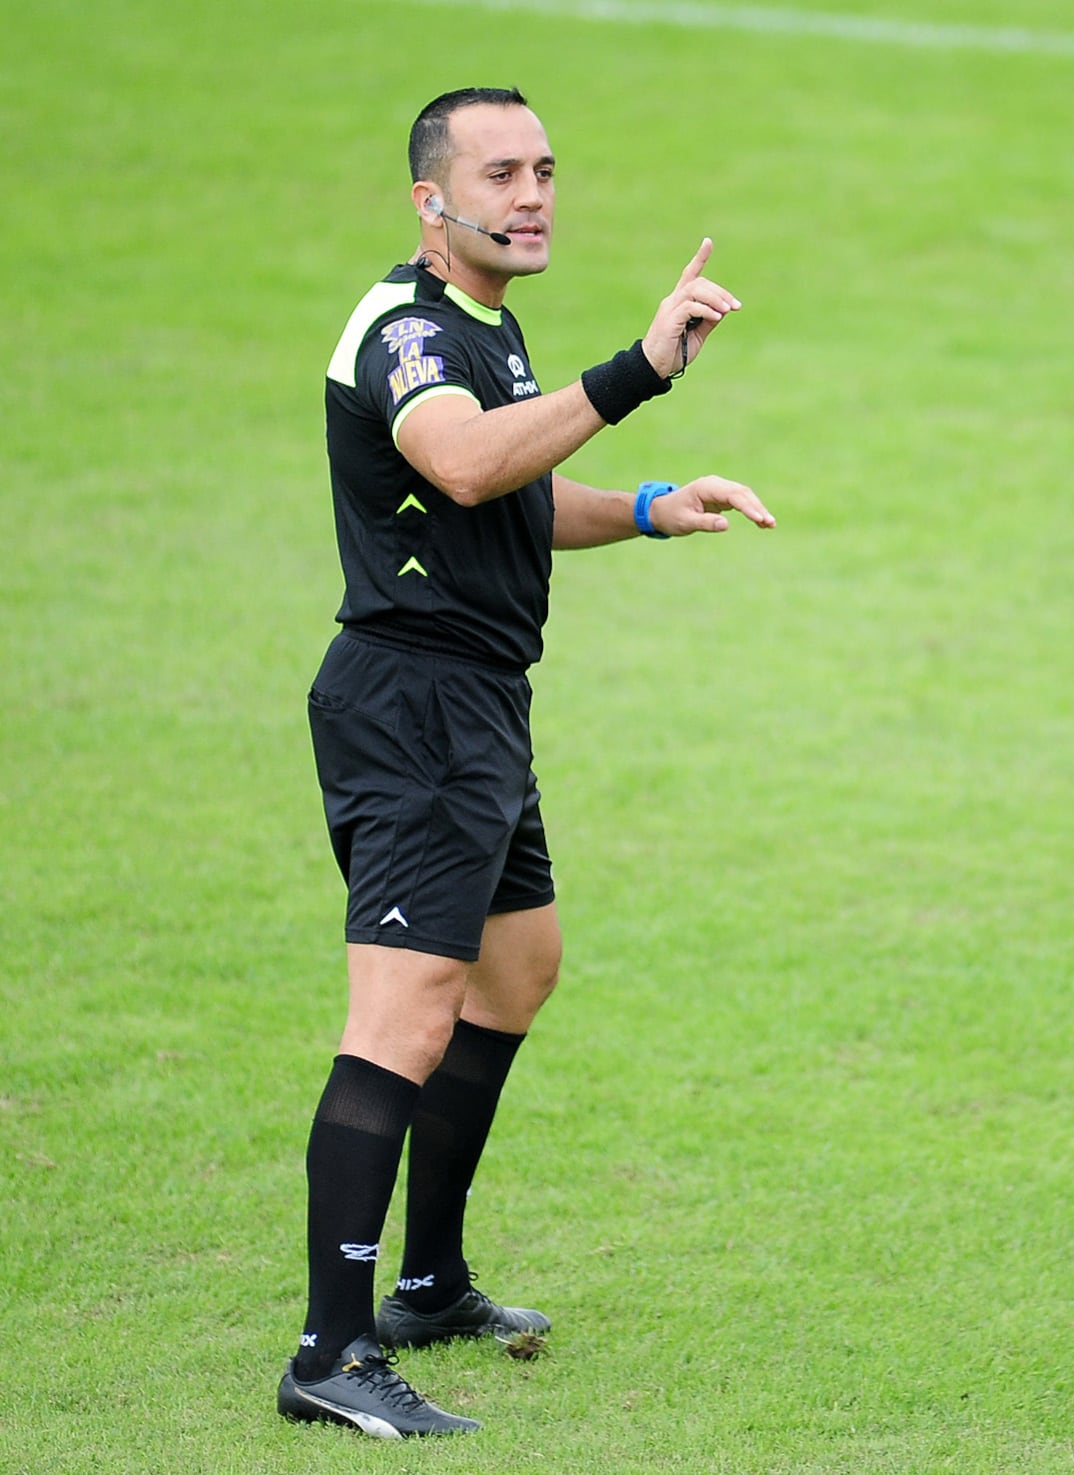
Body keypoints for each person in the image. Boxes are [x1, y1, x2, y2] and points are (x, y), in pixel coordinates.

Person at [278, 86, 775, 1438]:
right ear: (431, 201)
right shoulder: (406, 333)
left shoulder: (485, 330)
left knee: (517, 969)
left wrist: (656, 506)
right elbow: (462, 465)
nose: (534, 194)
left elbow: (515, 490)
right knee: (401, 1019)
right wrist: (639, 370)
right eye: (500, 174)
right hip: (413, 710)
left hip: (478, 707)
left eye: (545, 169)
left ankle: (426, 1285)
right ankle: (331, 1350)